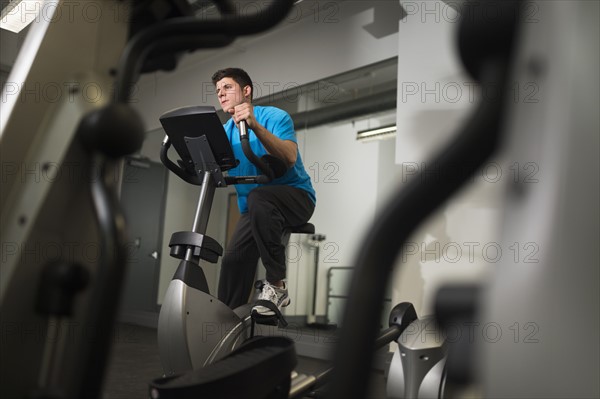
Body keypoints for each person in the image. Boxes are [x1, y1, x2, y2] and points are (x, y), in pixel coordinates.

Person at [212, 67, 316, 317]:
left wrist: (254, 125)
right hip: (254, 208)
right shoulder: (225, 131)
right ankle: (225, 320)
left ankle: (277, 286)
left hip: (296, 197)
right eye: (217, 91)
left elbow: (289, 157)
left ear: (246, 91)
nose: (221, 94)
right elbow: (211, 163)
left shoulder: (275, 117)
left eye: (227, 87)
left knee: (260, 197)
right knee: (233, 260)